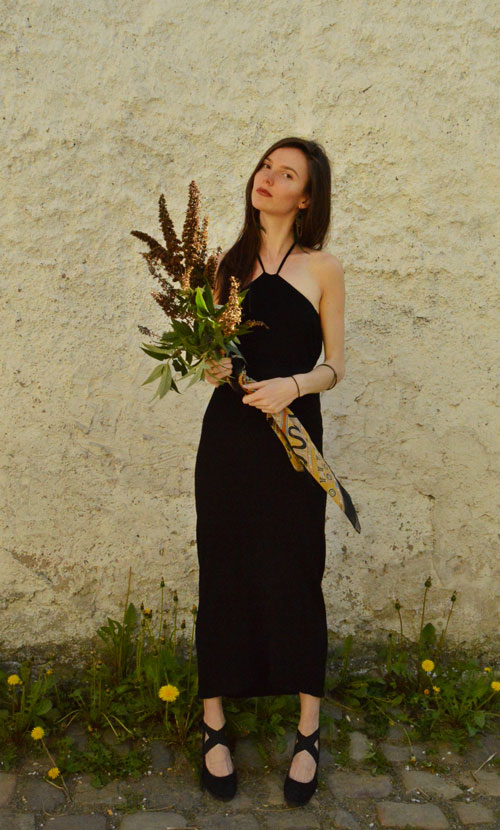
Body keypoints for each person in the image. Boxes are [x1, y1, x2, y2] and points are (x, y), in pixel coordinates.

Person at [194, 136, 346, 805]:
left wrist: (295, 384)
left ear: (306, 197)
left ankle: (308, 730)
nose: (269, 177)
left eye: (287, 173)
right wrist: (214, 365)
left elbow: (336, 365)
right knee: (222, 569)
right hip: (228, 441)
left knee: (297, 569)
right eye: (265, 165)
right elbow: (203, 359)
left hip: (291, 442)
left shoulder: (322, 268)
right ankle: (213, 724)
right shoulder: (221, 266)